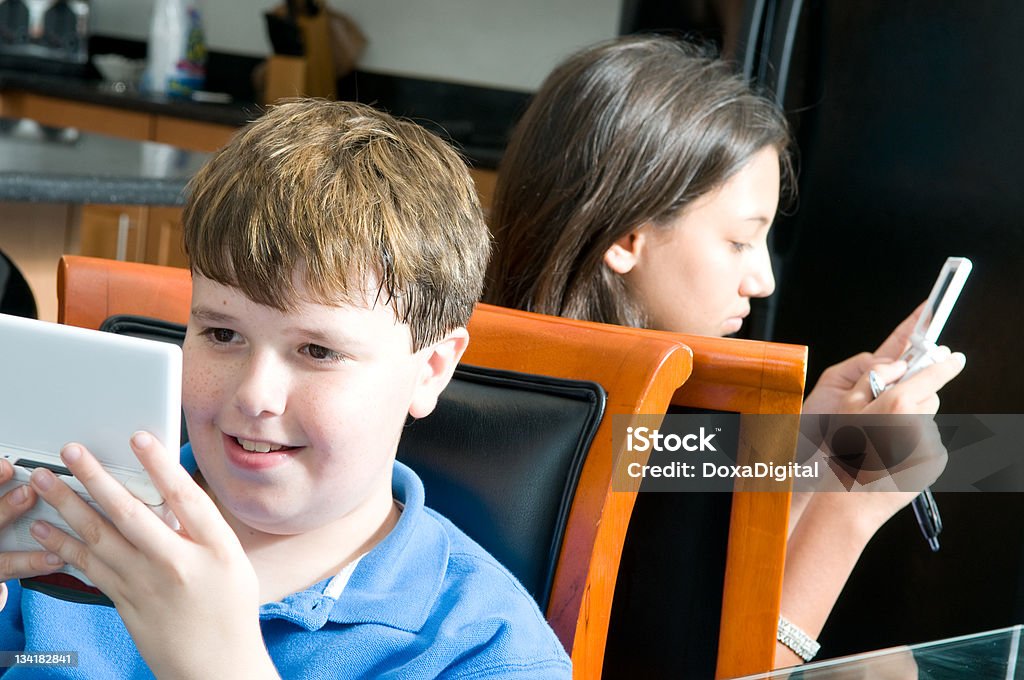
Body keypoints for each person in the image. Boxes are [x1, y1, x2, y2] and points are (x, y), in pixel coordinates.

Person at [0, 99, 572, 678]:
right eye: (222, 333)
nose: (255, 396)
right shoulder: (66, 522)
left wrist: (220, 666)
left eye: (318, 351)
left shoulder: (488, 654)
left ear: (430, 370)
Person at [485, 35, 965, 669]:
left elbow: (704, 586)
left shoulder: (499, 379)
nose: (762, 280)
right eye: (741, 241)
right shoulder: (633, 427)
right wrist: (847, 513)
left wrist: (815, 446)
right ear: (628, 237)